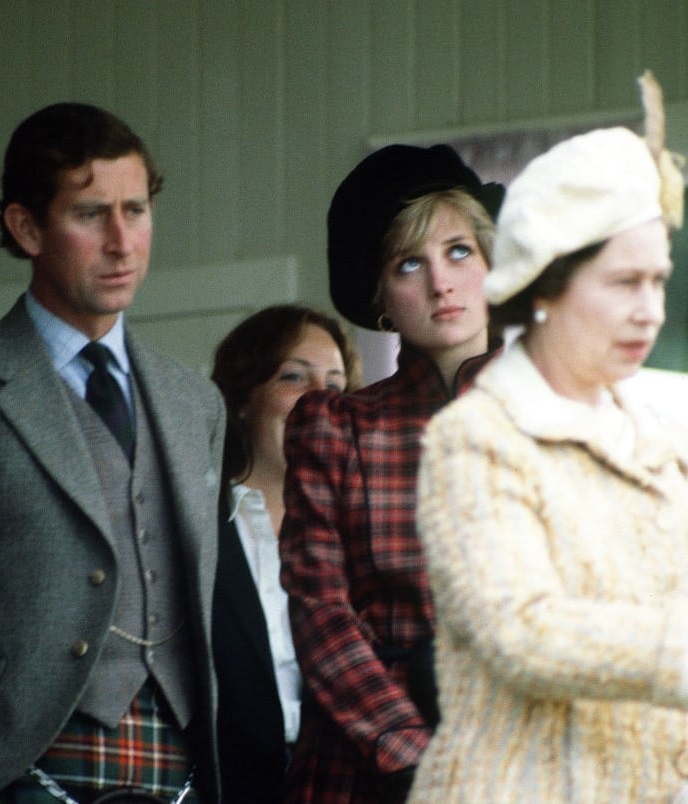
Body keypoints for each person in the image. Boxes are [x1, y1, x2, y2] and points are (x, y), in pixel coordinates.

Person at [409, 75, 688, 803]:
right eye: (624, 282)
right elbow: (521, 629)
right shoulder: (475, 438)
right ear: (544, 285)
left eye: (657, 282)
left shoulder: (665, 422)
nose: (648, 311)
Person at [0, 103, 225, 802]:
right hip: (17, 758)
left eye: (136, 210)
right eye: (91, 215)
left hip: (177, 758)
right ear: (27, 227)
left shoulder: (195, 403)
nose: (123, 242)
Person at [277, 143, 505, 802]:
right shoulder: (336, 427)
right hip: (365, 770)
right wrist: (416, 758)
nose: (441, 282)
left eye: (459, 251)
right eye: (411, 263)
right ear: (381, 297)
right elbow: (321, 615)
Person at [210, 304, 361, 804]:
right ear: (242, 400)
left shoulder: (366, 532)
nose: (320, 401)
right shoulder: (194, 524)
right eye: (294, 377)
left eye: (335, 386)